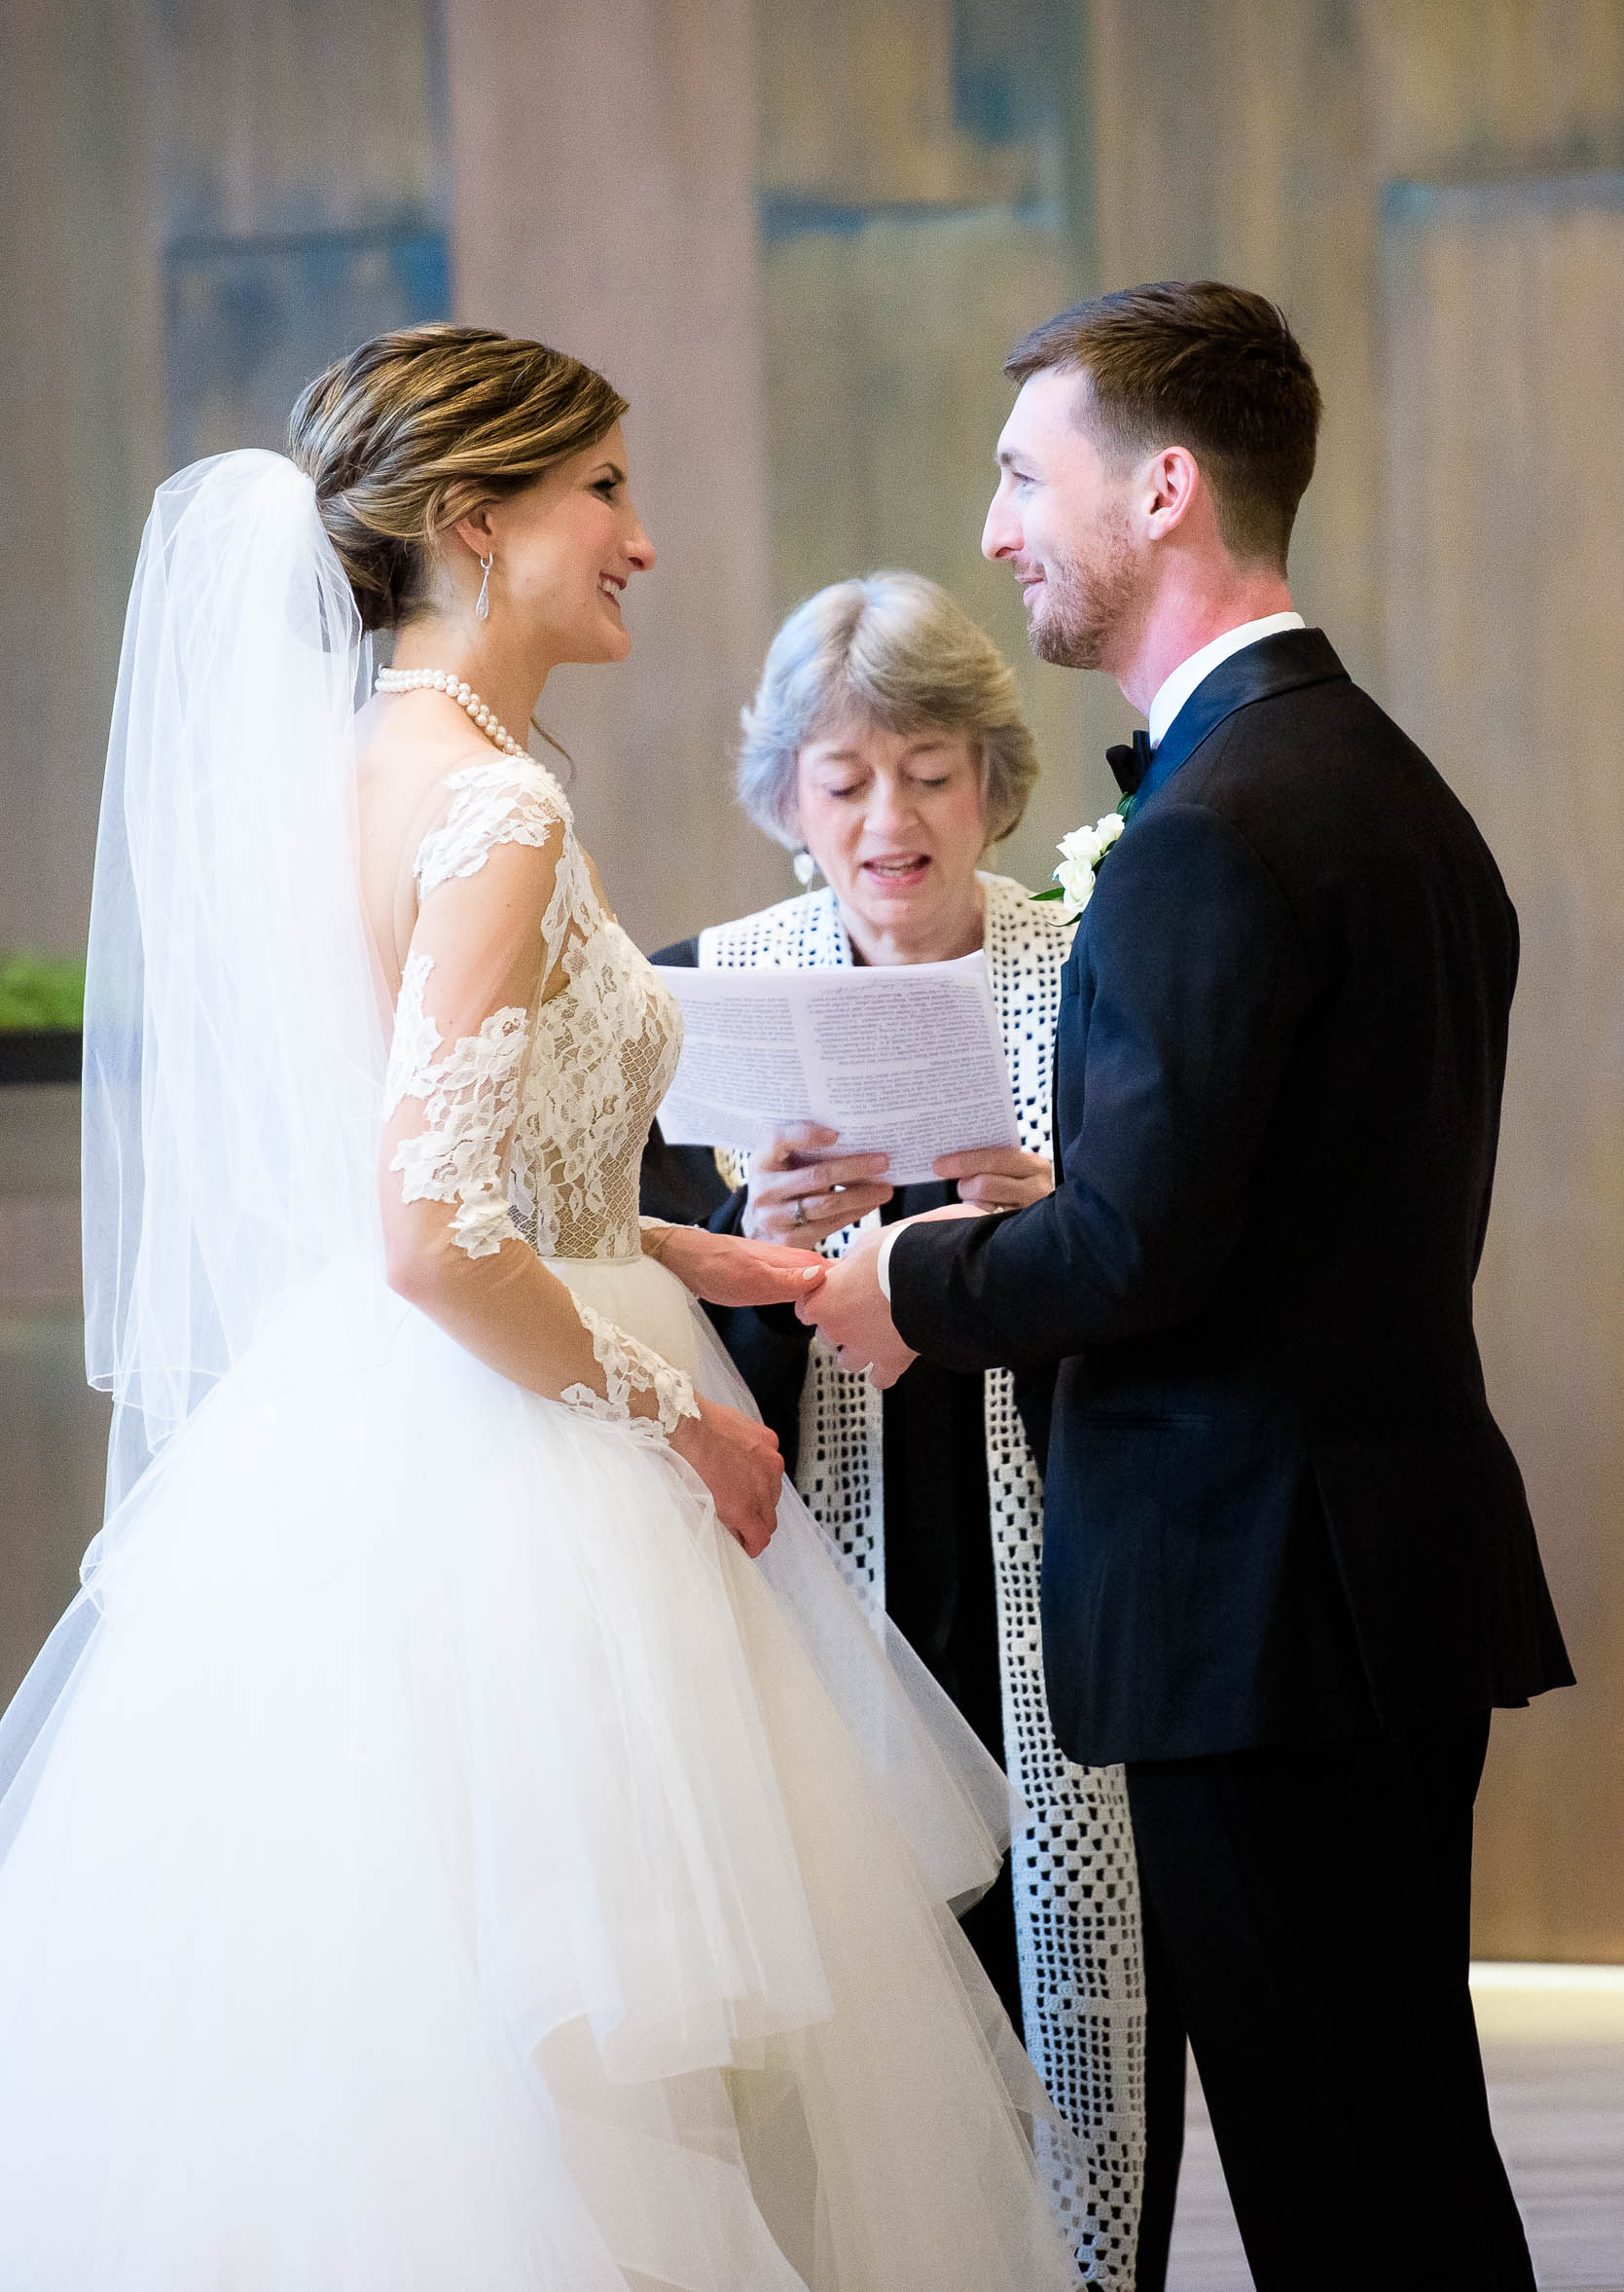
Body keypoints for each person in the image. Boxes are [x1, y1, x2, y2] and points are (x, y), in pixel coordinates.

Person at [0, 326, 1094, 2290]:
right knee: (595, 2075)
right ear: (470, 523)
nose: (642, 540)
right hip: (517, 1476)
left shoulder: (379, 770)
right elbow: (433, 1235)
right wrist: (693, 1415)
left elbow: (445, 1188)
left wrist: (704, 1254)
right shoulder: (492, 811)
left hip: (380, 1425)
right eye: (601, 491)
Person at [806, 280, 1574, 2292]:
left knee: (1344, 2175)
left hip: (1263, 1596)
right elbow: (1271, 1212)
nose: (996, 529)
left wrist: (909, 1268)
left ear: (1161, 485)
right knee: (1394, 2143)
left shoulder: (1214, 824)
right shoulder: (1374, 785)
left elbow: (1139, 1258)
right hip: (1358, 1569)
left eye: (1019, 474)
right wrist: (1071, 1197)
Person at [640, 569, 1150, 2288]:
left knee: (1051, 2001)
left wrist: (1060, 1219)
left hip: (1064, 1581)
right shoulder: (691, 997)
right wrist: (753, 1247)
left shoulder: (1091, 971)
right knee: (843, 2052)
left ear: (995, 785)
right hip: (806, 1596)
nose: (887, 819)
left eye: (928, 770)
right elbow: (648, 1355)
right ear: (787, 797)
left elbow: (1177, 1277)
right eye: (843, 776)